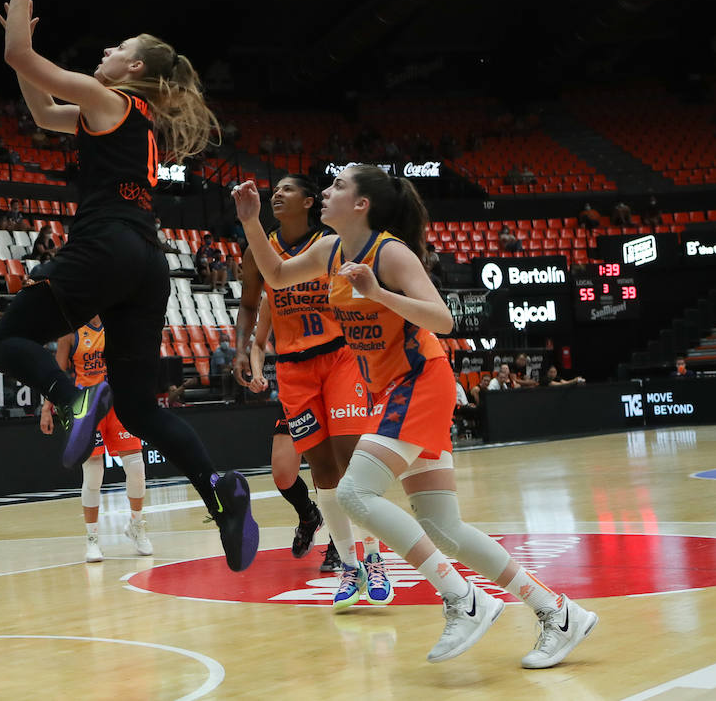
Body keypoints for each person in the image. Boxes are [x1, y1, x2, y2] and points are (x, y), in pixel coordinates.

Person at [233, 168, 597, 668]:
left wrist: (378, 292)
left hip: (420, 380)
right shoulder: (329, 251)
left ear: (362, 204)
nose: (328, 191)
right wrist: (251, 221)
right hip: (389, 388)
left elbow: (443, 320)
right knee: (444, 527)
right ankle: (559, 613)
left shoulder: (389, 253)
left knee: (355, 492)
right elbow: (274, 276)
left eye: (339, 186)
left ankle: (462, 599)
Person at [0, 0, 256, 572]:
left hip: (105, 245)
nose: (105, 52)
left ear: (134, 68)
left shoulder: (111, 100)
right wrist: (23, 53)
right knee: (138, 407)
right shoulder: (124, 117)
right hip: (147, 262)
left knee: (5, 342)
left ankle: (75, 396)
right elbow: (42, 110)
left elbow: (20, 54)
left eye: (116, 49)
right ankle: (219, 490)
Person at [238, 174, 391, 606]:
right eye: (276, 189)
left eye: (288, 188)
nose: (277, 193)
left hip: (339, 359)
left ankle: (375, 556)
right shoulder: (263, 253)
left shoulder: (329, 245)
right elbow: (255, 303)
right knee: (322, 470)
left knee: (351, 461)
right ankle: (349, 564)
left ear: (309, 201)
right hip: (293, 370)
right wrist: (244, 352)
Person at [41, 317, 151, 562]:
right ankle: (92, 539)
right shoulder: (70, 332)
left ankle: (136, 526)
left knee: (137, 469)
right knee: (93, 475)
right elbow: (56, 375)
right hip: (87, 407)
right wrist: (47, 408)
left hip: (118, 404)